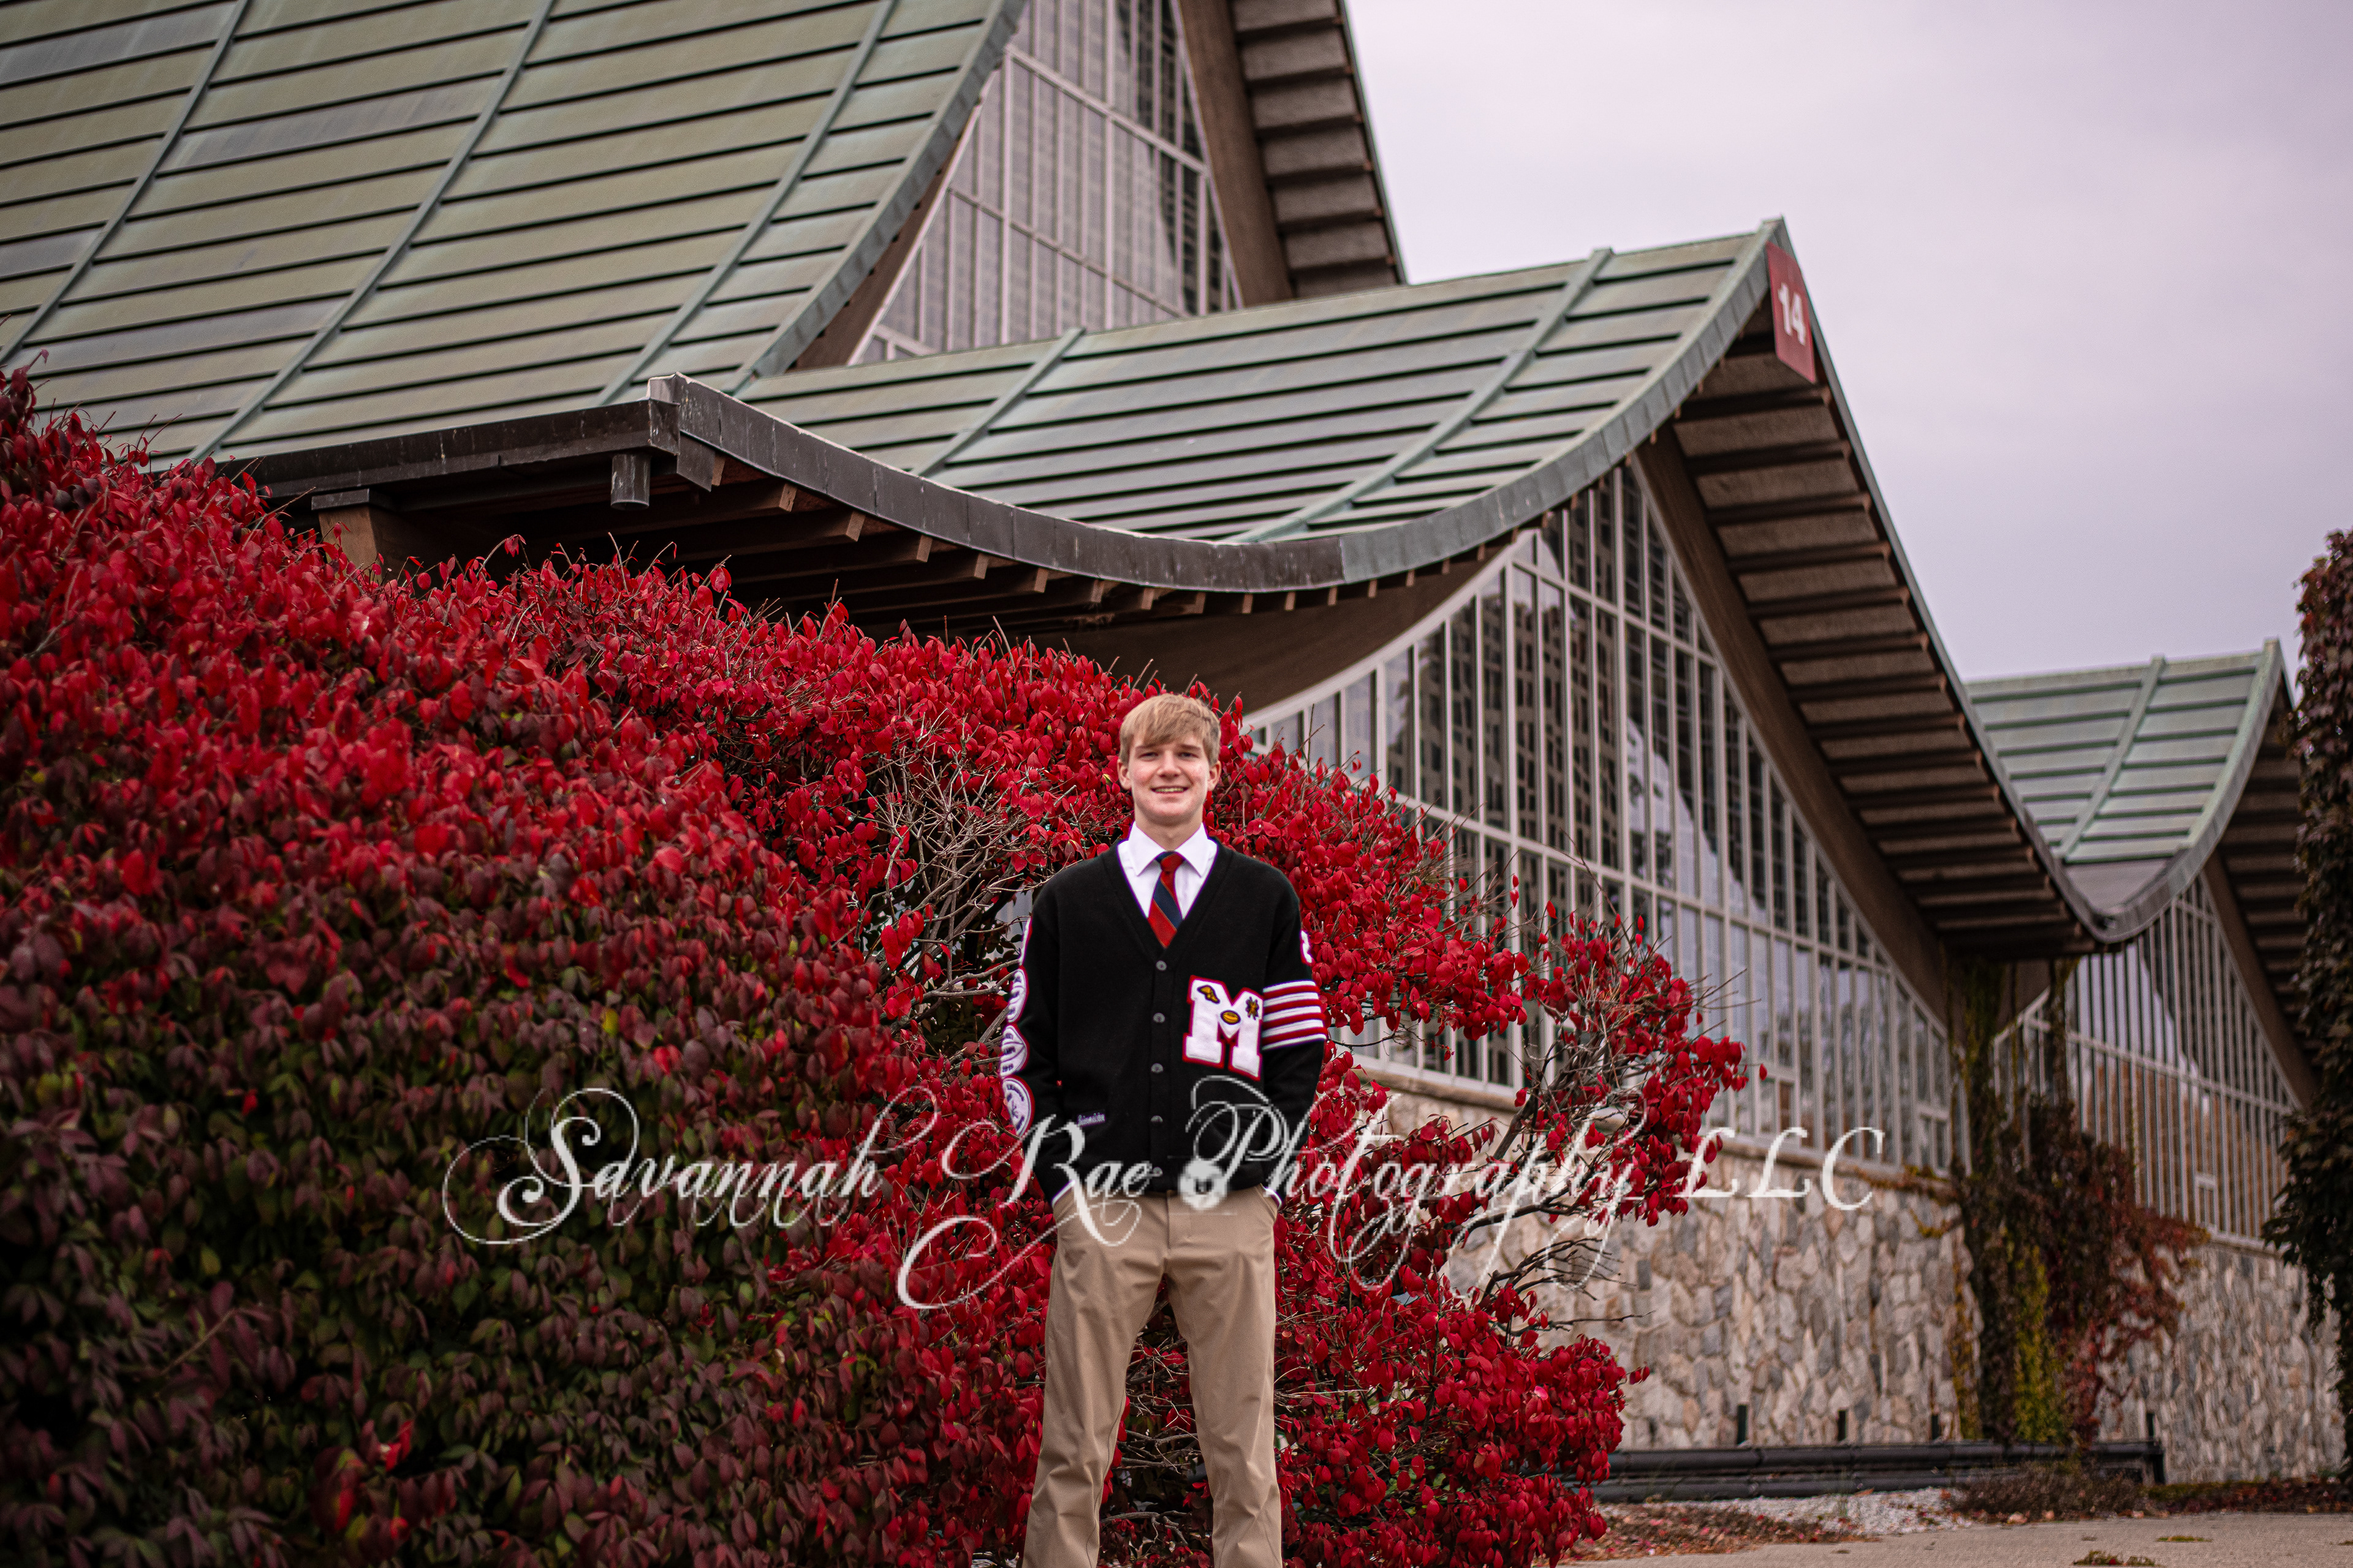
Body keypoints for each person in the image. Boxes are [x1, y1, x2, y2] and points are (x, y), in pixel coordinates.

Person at [1001, 692, 1328, 1568]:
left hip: (1232, 1211)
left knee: (1244, 1454)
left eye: (1186, 754)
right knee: (1073, 1447)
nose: (1168, 769)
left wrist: (1267, 1179)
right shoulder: (1068, 901)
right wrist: (1063, 1185)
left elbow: (1299, 1050)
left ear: (1214, 773)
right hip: (1104, 1208)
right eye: (1150, 755)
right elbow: (1023, 1053)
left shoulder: (1263, 899)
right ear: (1124, 773)